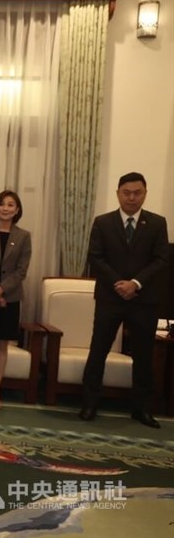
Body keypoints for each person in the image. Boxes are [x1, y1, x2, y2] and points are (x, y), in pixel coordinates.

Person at [79, 172, 169, 428]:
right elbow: (96, 257)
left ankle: (142, 409)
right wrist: (119, 283)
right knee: (98, 350)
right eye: (126, 192)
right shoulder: (103, 222)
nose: (131, 197)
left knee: (143, 355)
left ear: (145, 193)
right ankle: (89, 403)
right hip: (110, 296)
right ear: (118, 193)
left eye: (137, 193)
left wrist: (135, 283)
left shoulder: (157, 223)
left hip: (144, 299)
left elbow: (162, 259)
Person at [0, 190, 32, 410]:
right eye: (2, 204)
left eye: (11, 205)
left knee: (1, 346)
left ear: (18, 210)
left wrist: (1, 291)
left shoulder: (23, 236)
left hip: (9, 299)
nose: (5, 208)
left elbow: (21, 271)